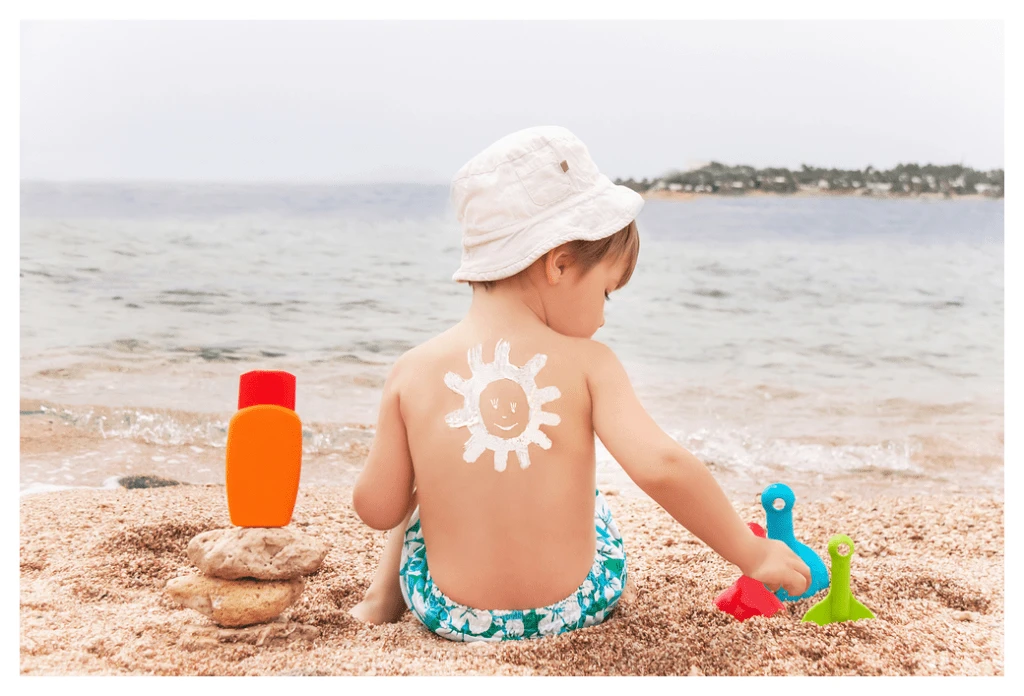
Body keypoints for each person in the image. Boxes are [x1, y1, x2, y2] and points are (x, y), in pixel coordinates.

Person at [348, 126, 811, 642]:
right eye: (607, 293)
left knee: (418, 501)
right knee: (591, 498)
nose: (604, 318)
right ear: (560, 264)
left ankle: (379, 601)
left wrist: (430, 476)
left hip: (449, 614)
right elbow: (660, 466)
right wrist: (753, 552)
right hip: (574, 605)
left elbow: (377, 508)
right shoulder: (591, 362)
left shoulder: (411, 369)